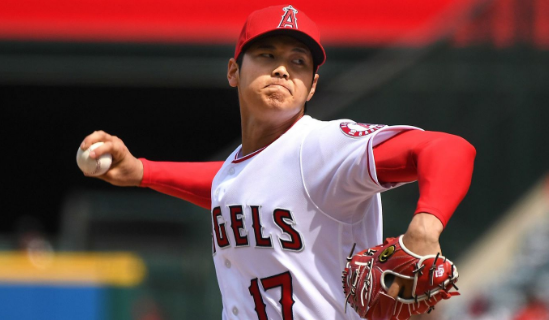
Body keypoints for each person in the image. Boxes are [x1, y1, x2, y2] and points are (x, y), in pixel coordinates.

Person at [80, 5, 475, 320]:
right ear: (234, 71)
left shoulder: (322, 145)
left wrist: (425, 226)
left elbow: (449, 149)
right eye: (267, 55)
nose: (282, 69)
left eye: (298, 62)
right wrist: (142, 172)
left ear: (312, 86)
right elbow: (231, 185)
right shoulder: (241, 166)